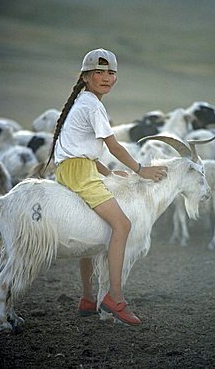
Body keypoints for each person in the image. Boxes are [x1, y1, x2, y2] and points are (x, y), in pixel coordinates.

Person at [48, 48, 167, 326]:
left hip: (77, 169)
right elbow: (112, 145)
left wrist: (108, 172)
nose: (105, 77)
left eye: (110, 72)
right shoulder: (92, 104)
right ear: (86, 77)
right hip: (79, 173)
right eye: (98, 72)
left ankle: (88, 299)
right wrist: (141, 170)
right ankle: (114, 297)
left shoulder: (83, 101)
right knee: (123, 225)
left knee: (92, 235)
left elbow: (81, 151)